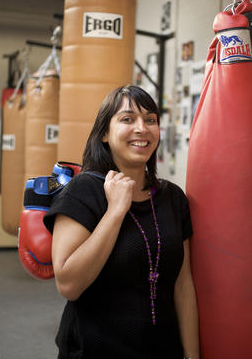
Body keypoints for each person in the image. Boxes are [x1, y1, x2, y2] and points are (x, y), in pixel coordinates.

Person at [43, 84, 200, 359]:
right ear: (105, 133)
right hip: (96, 350)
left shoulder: (172, 197)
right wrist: (115, 211)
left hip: (162, 349)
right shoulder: (83, 191)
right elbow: (68, 285)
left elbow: (183, 284)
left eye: (150, 120)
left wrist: (192, 355)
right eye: (127, 119)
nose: (142, 128)